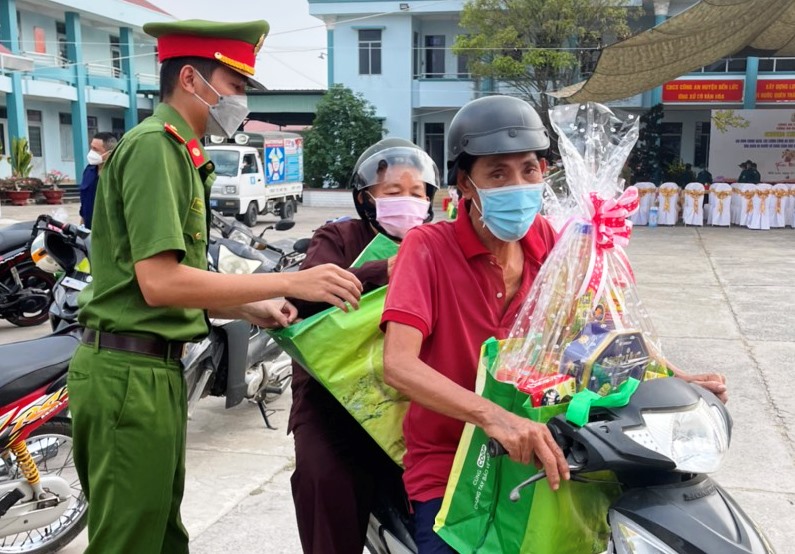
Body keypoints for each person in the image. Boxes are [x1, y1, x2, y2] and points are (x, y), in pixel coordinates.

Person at [381, 95, 729, 553]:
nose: (518, 183)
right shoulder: (426, 248)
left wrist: (674, 375)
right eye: (497, 173)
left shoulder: (554, 242)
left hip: (548, 448)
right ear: (466, 184)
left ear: (544, 173)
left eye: (529, 169)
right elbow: (398, 366)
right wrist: (494, 416)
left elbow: (601, 332)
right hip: (454, 461)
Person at [68, 20, 363, 554]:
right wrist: (295, 278)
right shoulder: (155, 149)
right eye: (235, 87)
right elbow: (158, 283)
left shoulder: (179, 153)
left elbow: (178, 279)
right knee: (130, 541)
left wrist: (252, 306)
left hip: (151, 371)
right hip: (128, 374)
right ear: (190, 79)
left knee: (161, 535)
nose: (240, 102)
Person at [289, 137, 440, 554]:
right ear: (366, 199)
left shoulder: (437, 244)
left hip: (412, 404)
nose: (407, 201)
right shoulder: (337, 236)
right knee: (325, 484)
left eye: (417, 193)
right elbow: (302, 300)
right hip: (332, 406)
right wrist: (383, 270)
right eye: (393, 193)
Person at [79, 132, 117, 229]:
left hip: (109, 231)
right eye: (91, 148)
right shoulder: (88, 171)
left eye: (95, 150)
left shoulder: (116, 174)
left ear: (109, 153)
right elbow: (84, 204)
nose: (91, 152)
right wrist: (81, 226)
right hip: (89, 228)